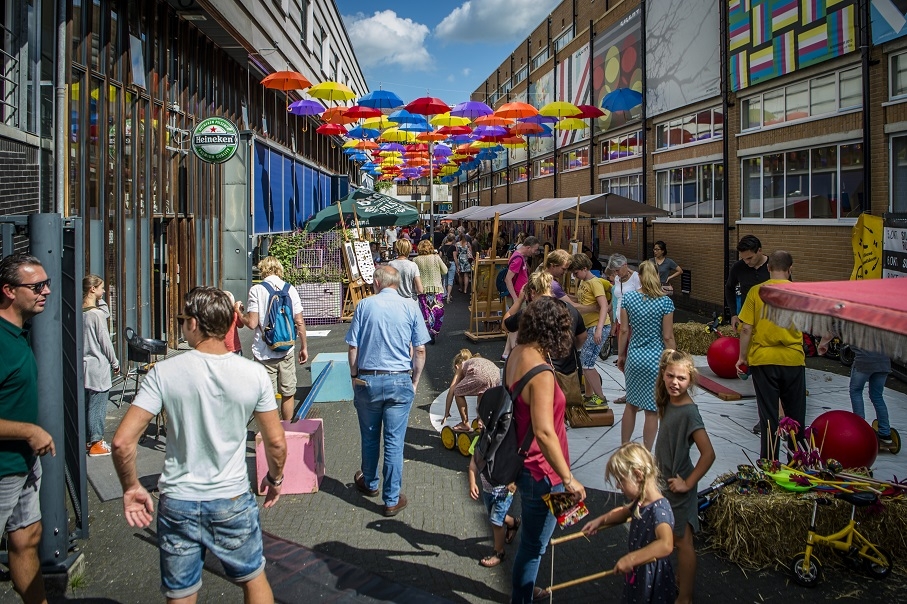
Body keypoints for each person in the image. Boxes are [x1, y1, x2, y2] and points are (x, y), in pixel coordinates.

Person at [112, 286, 287, 604]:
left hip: (179, 499)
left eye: (183, 319)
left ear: (193, 323)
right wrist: (275, 480)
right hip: (231, 497)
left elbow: (123, 442)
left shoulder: (164, 373)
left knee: (181, 592)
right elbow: (276, 442)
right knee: (253, 579)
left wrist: (130, 487)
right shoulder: (254, 375)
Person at [507, 296, 586, 603]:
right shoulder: (540, 371)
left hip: (529, 466)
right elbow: (543, 431)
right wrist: (569, 479)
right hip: (544, 471)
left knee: (533, 542)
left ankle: (524, 589)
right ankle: (522, 596)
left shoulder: (517, 353)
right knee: (534, 545)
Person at [346, 266, 430, 517]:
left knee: (370, 436)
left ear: (377, 282)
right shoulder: (410, 307)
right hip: (399, 381)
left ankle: (370, 482)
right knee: (394, 442)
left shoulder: (364, 306)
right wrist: (414, 382)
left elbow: (353, 348)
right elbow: (420, 350)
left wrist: (353, 377)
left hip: (369, 380)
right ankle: (391, 499)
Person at [0, 253, 54, 604]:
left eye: (46, 284)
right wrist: (29, 432)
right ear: (8, 290)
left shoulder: (19, 333)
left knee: (27, 537)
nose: (46, 291)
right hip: (3, 467)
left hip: (23, 464)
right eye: (37, 286)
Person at [653, 349, 715, 604]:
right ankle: (679, 577)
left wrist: (687, 483)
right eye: (670, 376)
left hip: (678, 485)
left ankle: (685, 597)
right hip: (665, 480)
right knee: (671, 536)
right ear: (663, 375)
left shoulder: (690, 412)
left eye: (681, 378)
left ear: (691, 379)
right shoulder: (667, 399)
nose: (675, 382)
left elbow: (708, 453)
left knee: (682, 540)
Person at [582, 443, 675, 603]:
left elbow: (666, 544)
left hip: (653, 575)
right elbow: (624, 512)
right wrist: (601, 520)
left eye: (621, 480)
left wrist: (632, 558)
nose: (618, 485)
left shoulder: (659, 510)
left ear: (638, 475)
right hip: (640, 568)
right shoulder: (640, 500)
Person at [735, 251, 805, 460]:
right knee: (796, 415)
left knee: (768, 415)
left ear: (768, 268)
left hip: (764, 360)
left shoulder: (757, 292)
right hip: (793, 359)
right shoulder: (801, 293)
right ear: (790, 269)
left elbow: (746, 328)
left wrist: (742, 357)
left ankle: (769, 462)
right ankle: (797, 461)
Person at [237, 256, 308, 420]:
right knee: (288, 392)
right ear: (279, 269)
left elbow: (252, 323)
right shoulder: (290, 289)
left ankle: (271, 432)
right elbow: (299, 321)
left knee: (267, 397)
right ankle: (286, 429)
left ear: (262, 270)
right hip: (287, 349)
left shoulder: (256, 290)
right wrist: (304, 347)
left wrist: (239, 313)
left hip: (264, 351)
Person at [503, 271, 587, 407]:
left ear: (532, 292)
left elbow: (506, 325)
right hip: (569, 372)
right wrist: (570, 348)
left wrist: (519, 301)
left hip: (541, 371)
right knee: (559, 415)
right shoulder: (570, 308)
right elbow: (582, 336)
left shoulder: (530, 311)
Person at [618, 260, 676, 450]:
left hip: (635, 356)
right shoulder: (665, 302)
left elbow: (624, 331)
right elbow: (667, 336)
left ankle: (625, 447)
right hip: (656, 358)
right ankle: (646, 451)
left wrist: (621, 355)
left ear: (640, 277)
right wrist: (674, 358)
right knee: (652, 410)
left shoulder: (629, 299)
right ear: (657, 276)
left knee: (631, 405)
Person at [82, 274, 120, 456]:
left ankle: (87, 441)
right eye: (101, 288)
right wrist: (115, 361)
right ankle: (96, 441)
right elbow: (105, 341)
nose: (104, 291)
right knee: (98, 405)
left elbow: (105, 313)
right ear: (92, 289)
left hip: (83, 366)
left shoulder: (81, 312)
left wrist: (100, 299)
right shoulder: (96, 315)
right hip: (98, 365)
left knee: (86, 404)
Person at [568, 253, 611, 406]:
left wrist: (599, 328)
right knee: (586, 361)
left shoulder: (595, 283)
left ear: (585, 269)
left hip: (597, 326)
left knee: (586, 364)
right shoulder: (583, 282)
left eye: (576, 272)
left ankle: (601, 398)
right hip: (590, 326)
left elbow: (604, 305)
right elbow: (581, 300)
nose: (575, 276)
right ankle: (588, 395)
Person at [468, 453, 520, 568]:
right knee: (494, 516)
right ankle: (512, 522)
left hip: (503, 492)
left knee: (496, 522)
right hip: (487, 491)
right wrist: (472, 482)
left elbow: (517, 461)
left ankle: (499, 552)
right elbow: (474, 463)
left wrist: (514, 482)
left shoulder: (507, 442)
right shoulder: (480, 441)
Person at [606, 254, 642, 405]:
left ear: (625, 265)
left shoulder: (636, 278)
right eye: (613, 271)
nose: (616, 273)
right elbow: (616, 300)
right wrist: (614, 322)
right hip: (621, 321)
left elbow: (642, 298)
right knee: (623, 359)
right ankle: (630, 392)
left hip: (634, 323)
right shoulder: (617, 279)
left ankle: (639, 395)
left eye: (617, 270)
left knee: (634, 358)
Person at [502, 236, 540, 362]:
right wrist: (515, 298)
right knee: (517, 325)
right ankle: (514, 354)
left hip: (519, 296)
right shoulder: (518, 258)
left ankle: (506, 354)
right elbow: (508, 279)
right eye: (535, 249)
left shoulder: (518, 256)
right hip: (518, 296)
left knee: (515, 324)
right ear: (528, 247)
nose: (536, 252)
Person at [443, 349, 501, 432]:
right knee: (482, 393)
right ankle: (481, 420)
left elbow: (451, 390)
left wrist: (446, 412)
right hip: (496, 374)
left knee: (458, 391)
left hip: (481, 375)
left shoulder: (461, 365)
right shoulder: (475, 362)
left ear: (456, 366)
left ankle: (465, 423)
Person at [724, 235, 769, 331]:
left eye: (749, 258)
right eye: (743, 259)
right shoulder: (738, 267)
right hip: (747, 321)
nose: (746, 262)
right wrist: (734, 314)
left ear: (759, 251)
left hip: (770, 321)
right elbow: (729, 288)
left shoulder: (775, 267)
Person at [412, 240, 448, 342]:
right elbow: (445, 270)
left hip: (422, 289)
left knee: (425, 311)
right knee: (438, 311)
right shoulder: (436, 258)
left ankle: (428, 331)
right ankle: (435, 330)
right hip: (436, 288)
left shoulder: (415, 260)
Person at [224, 291, 244, 355]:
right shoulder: (234, 314)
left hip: (221, 348)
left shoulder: (216, 314)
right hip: (234, 347)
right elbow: (241, 325)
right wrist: (239, 311)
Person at [439, 234, 458, 302]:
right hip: (451, 264)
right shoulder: (453, 247)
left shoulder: (442, 247)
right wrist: (457, 266)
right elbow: (455, 257)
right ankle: (448, 296)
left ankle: (447, 294)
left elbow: (440, 257)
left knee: (445, 280)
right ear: (453, 240)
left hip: (444, 264)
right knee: (450, 280)